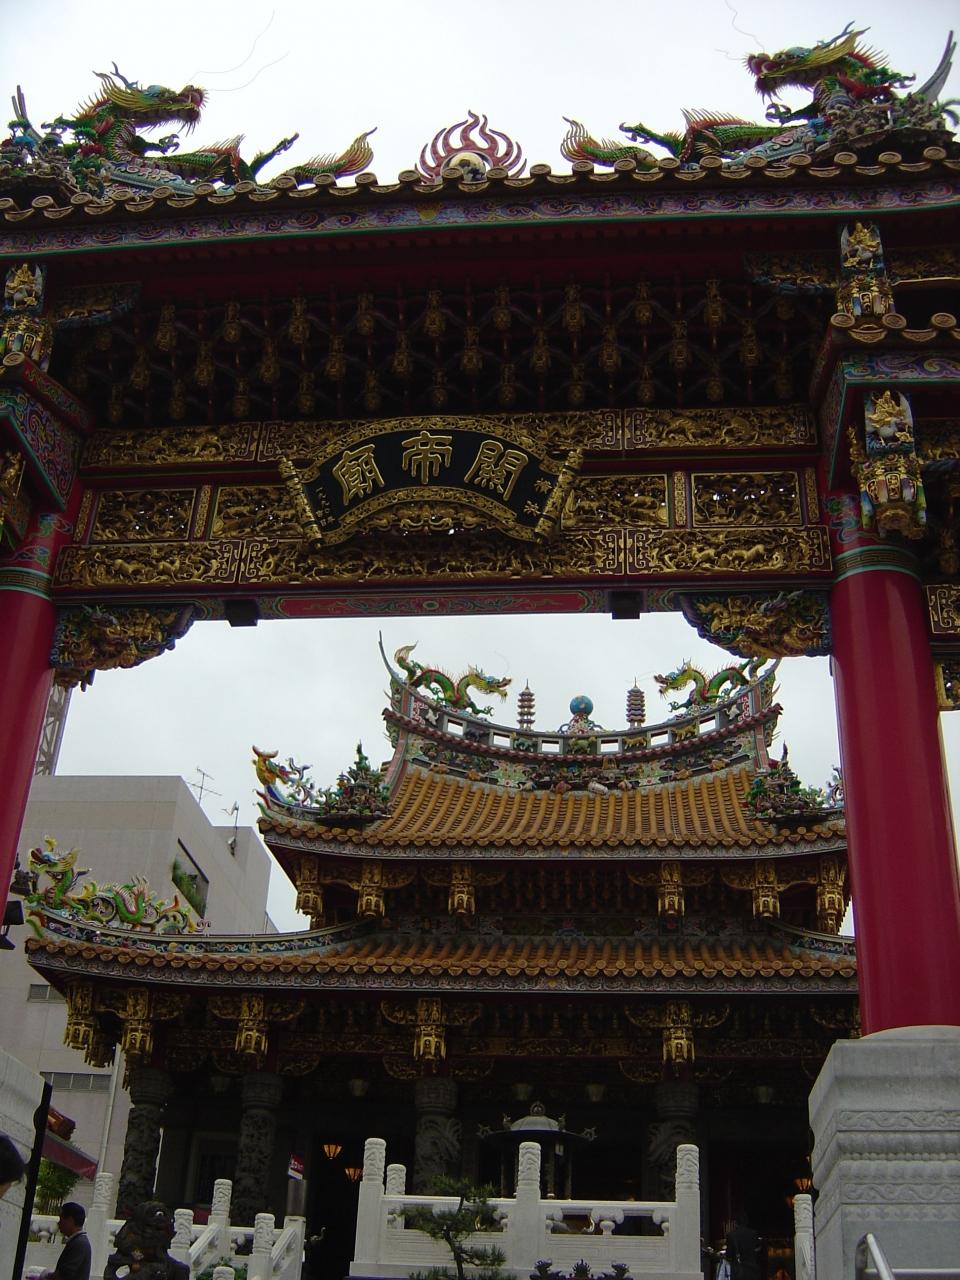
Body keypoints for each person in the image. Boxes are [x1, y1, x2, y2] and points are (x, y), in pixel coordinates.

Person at [43, 1202, 92, 1280]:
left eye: (61, 1219)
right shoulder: (76, 1241)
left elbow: (65, 1274)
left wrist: (45, 1275)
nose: (59, 1223)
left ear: (70, 1220)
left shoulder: (79, 1243)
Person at [725, 1215, 762, 1280]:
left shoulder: (731, 1235)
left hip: (738, 1271)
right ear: (746, 1222)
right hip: (752, 1270)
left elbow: (729, 1255)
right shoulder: (753, 1233)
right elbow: (758, 1250)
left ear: (735, 1223)